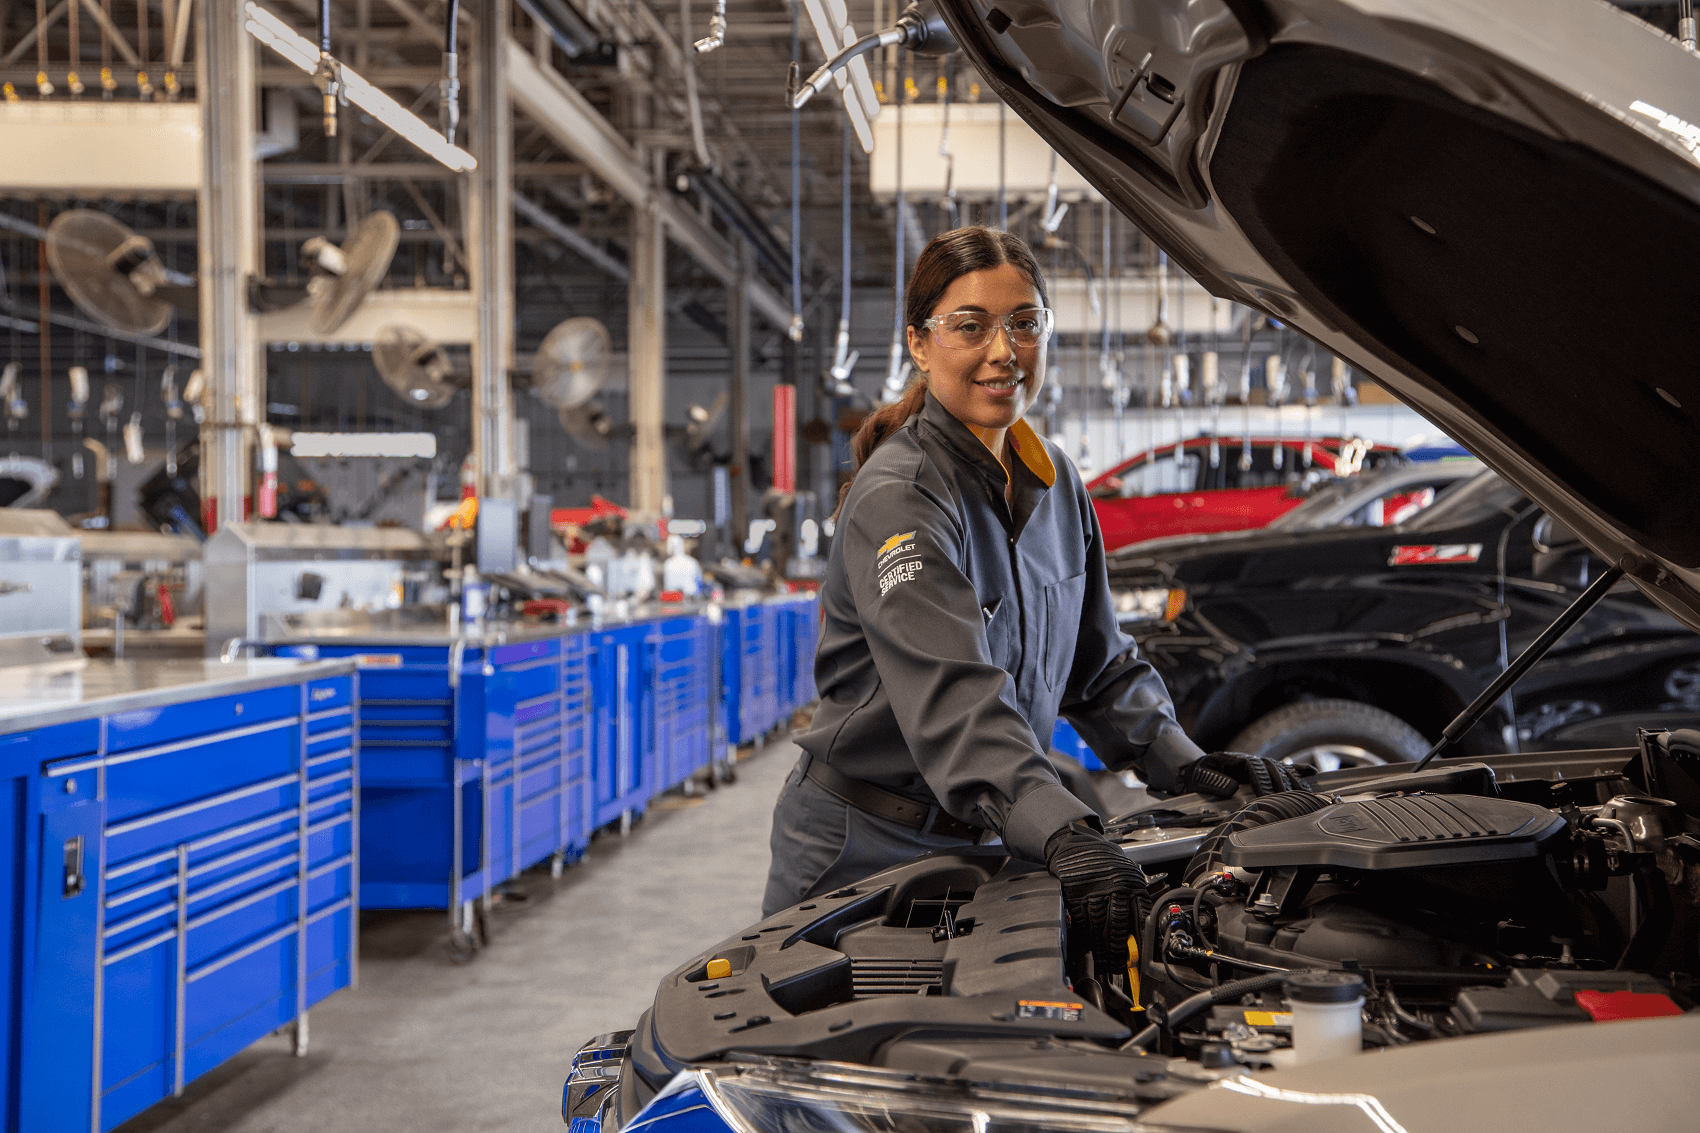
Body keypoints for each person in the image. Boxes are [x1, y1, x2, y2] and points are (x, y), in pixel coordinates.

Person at [763, 227, 1307, 969]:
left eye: (1024, 323)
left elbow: (1098, 662)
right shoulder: (903, 499)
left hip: (987, 836)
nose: (1003, 350)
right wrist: (1061, 827)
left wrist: (1184, 761)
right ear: (921, 345)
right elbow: (956, 700)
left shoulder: (1055, 482)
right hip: (865, 850)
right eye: (971, 326)